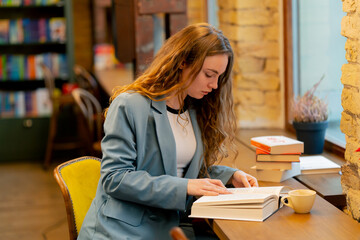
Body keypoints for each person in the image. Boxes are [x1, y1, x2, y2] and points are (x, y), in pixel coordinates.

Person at [78, 23, 258, 240]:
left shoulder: (194, 109)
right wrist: (186, 186)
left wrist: (230, 176)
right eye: (209, 74)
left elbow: (180, 170)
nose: (215, 85)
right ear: (182, 62)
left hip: (170, 225)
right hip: (124, 231)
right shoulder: (130, 105)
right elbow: (115, 178)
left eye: (219, 77)